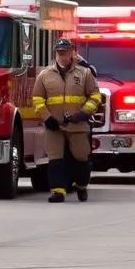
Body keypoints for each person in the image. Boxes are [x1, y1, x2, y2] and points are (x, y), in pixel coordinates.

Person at [32, 38, 101, 203]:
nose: (62, 55)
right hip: (54, 126)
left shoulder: (84, 74)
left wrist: (85, 113)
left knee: (81, 157)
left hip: (78, 125)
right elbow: (37, 98)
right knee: (55, 158)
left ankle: (82, 185)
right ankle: (58, 191)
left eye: (65, 51)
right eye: (59, 52)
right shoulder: (45, 75)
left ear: (72, 52)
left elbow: (95, 96)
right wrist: (47, 117)